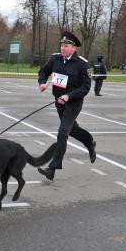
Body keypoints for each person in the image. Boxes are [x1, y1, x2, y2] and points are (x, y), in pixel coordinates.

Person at [37, 31, 96, 181]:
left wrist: (68, 96)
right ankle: (90, 142)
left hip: (73, 103)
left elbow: (85, 87)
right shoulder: (55, 59)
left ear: (74, 48)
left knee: (63, 132)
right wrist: (42, 83)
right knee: (73, 130)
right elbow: (43, 71)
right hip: (58, 102)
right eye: (62, 45)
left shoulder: (82, 64)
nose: (63, 48)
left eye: (66, 46)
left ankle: (52, 169)